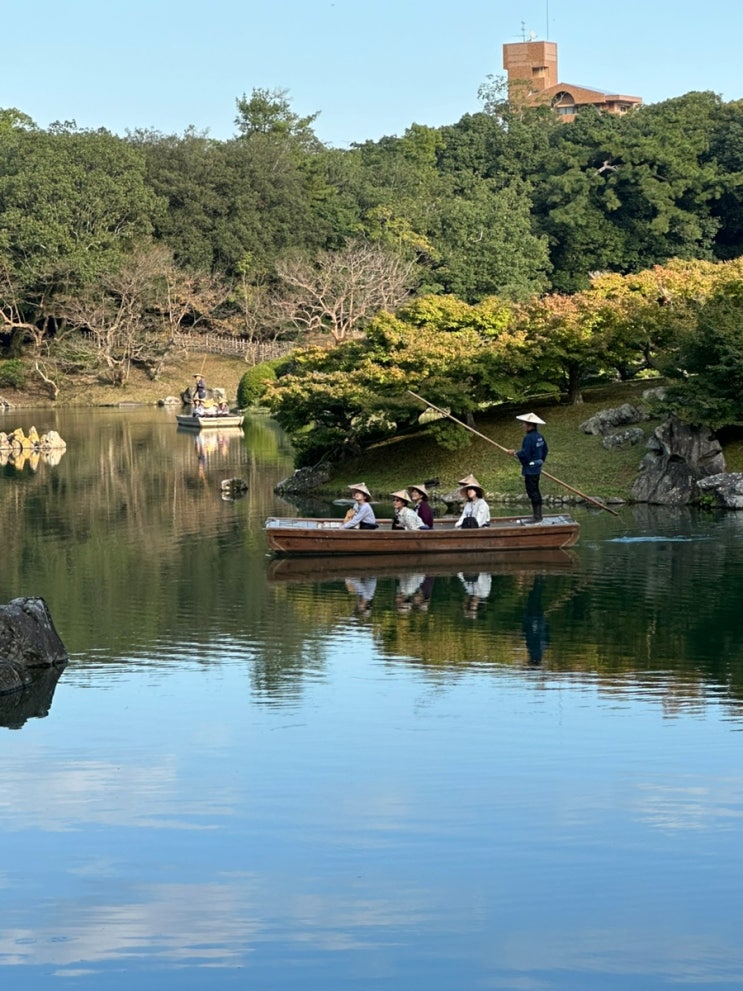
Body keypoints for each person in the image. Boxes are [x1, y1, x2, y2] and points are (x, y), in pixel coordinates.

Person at [507, 413, 548, 524]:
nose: (522, 425)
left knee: (533, 492)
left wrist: (514, 453)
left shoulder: (529, 438)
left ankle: (537, 517)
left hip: (530, 470)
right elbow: (545, 450)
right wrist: (540, 462)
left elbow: (525, 454)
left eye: (524, 424)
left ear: (530, 425)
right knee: (535, 491)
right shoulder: (539, 436)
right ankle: (538, 516)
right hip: (536, 468)